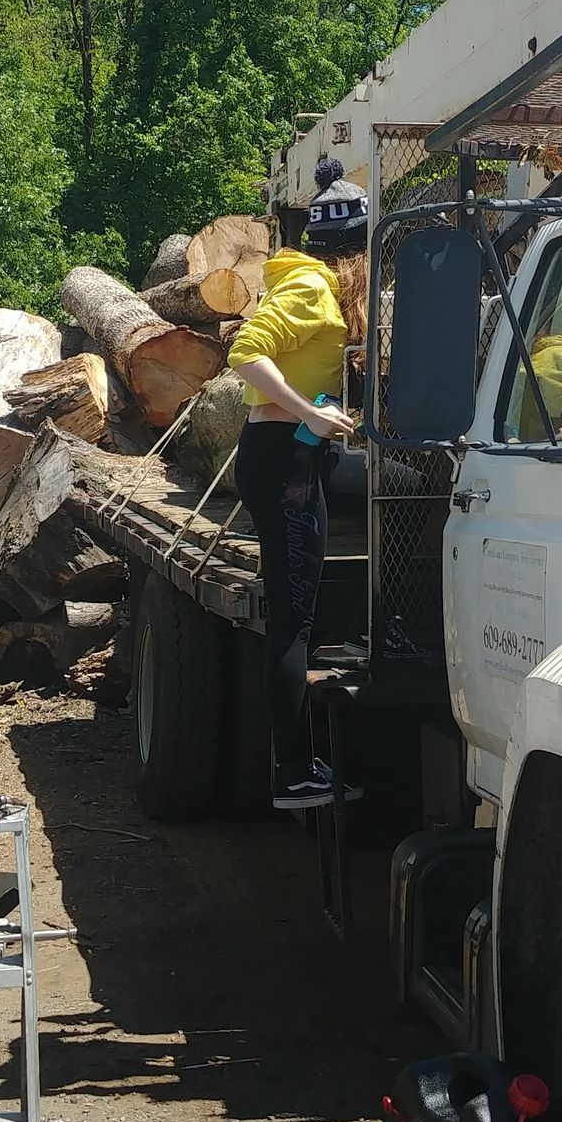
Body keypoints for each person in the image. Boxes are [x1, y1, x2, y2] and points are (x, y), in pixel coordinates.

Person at [227, 158, 368, 810]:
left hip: (300, 455)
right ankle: (293, 773)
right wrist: (312, 412)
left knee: (382, 487)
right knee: (292, 623)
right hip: (283, 456)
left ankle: (375, 632)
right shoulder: (310, 288)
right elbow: (244, 353)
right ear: (353, 251)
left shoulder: (311, 284)